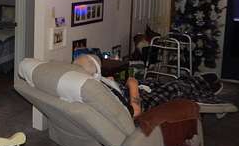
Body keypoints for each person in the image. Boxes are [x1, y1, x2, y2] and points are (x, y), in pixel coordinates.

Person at [73, 54, 224, 119]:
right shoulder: (102, 93)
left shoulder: (88, 84)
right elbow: (136, 113)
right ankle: (208, 88)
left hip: (132, 91)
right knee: (177, 88)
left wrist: (110, 81)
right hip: (143, 102)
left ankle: (200, 81)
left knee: (157, 82)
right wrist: (133, 85)